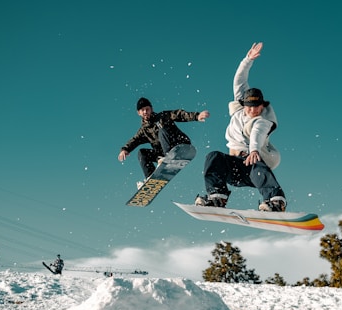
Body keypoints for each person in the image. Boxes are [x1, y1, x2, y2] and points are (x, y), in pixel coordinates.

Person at [195, 42, 286, 212]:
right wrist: (248, 59)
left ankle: (275, 200)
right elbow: (239, 80)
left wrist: (254, 150)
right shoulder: (239, 110)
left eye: (257, 107)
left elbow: (257, 134)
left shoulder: (263, 120)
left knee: (255, 162)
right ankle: (217, 196)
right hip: (233, 169)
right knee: (213, 156)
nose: (253, 110)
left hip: (253, 170)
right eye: (249, 107)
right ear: (243, 104)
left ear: (262, 105)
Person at [118, 97, 210, 187]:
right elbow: (134, 140)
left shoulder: (162, 116)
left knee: (161, 129)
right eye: (142, 110)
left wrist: (197, 116)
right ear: (139, 113)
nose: (145, 112)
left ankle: (168, 157)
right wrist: (125, 149)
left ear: (151, 109)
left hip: (179, 143)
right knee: (142, 153)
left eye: (147, 109)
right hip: (163, 154)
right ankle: (150, 178)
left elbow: (179, 114)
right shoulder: (144, 131)